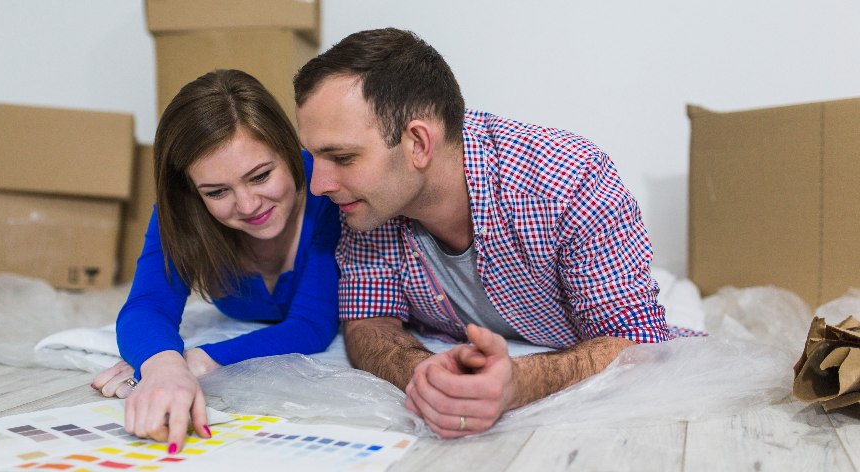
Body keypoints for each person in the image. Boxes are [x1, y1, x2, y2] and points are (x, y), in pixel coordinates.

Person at [293, 28, 675, 439]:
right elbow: (368, 320)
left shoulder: (566, 181)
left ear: (418, 143)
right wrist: (423, 373)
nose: (319, 185)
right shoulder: (368, 204)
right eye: (316, 157)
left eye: (342, 157)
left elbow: (639, 343)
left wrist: (520, 382)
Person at [91, 69, 340, 453]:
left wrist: (194, 361)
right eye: (217, 191)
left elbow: (312, 325)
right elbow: (147, 305)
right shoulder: (183, 211)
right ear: (192, 191)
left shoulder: (329, 187)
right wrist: (161, 364)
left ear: (290, 149)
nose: (247, 205)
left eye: (260, 176)